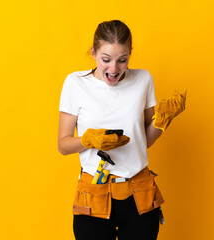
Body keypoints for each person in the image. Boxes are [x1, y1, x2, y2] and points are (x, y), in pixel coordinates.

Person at [58, 20, 186, 240]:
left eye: (122, 60)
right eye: (106, 60)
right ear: (93, 52)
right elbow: (63, 145)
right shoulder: (75, 83)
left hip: (139, 194)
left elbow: (143, 141)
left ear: (130, 54)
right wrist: (88, 140)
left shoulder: (143, 79)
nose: (114, 69)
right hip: (94, 194)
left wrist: (162, 121)